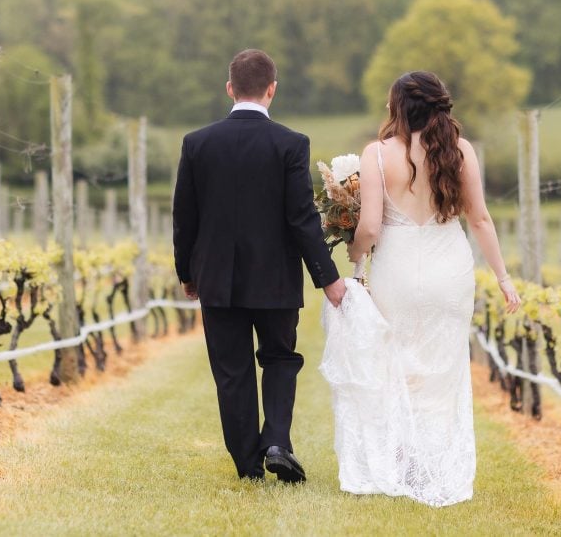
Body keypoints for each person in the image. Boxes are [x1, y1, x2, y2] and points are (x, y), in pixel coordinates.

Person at [328, 69, 520, 507]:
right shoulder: (460, 151)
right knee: (442, 369)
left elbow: (371, 226)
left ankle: (402, 463)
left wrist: (354, 259)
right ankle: (432, 467)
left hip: (396, 270)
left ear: (398, 107)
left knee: (396, 365)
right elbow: (480, 219)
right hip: (448, 269)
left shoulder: (377, 154)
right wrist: (504, 278)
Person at [173, 48, 347, 483]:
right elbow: (302, 219)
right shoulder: (291, 144)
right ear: (272, 89)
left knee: (232, 372)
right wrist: (327, 277)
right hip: (275, 278)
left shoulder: (197, 143)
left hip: (216, 279)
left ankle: (249, 466)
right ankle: (276, 441)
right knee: (280, 358)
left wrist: (187, 274)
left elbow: (184, 216)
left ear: (229, 88)